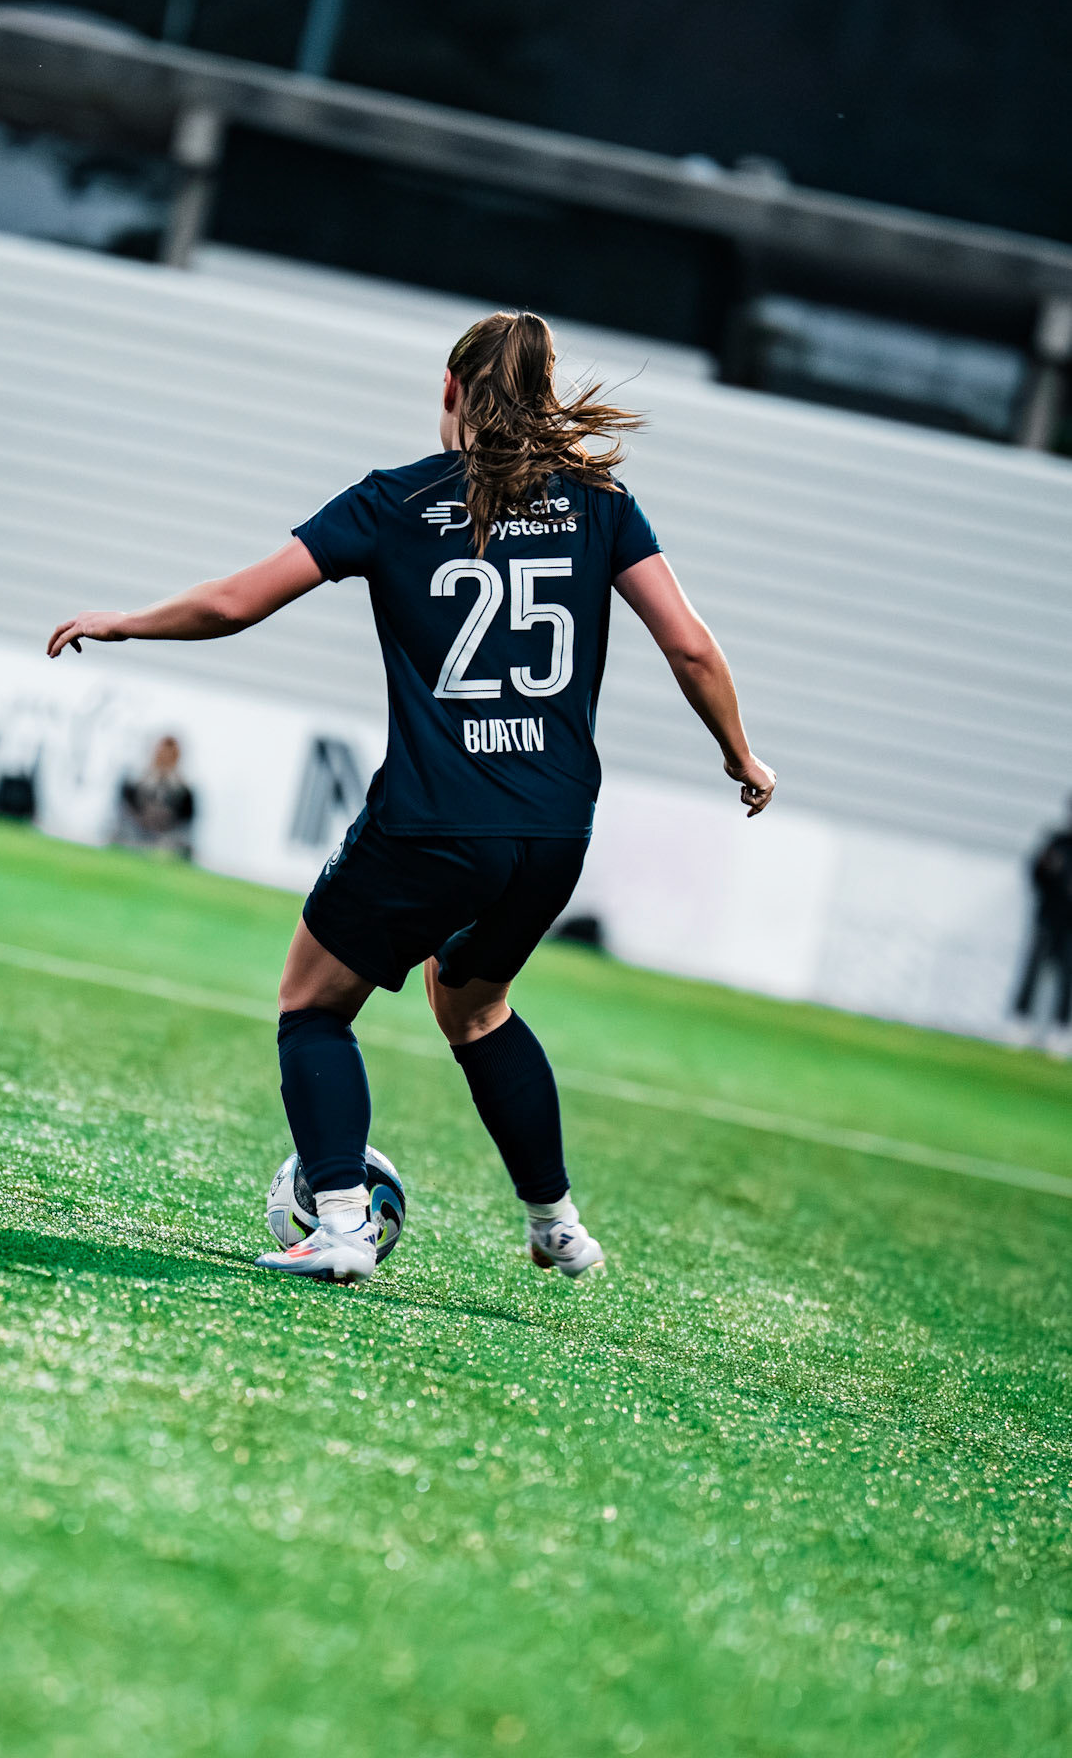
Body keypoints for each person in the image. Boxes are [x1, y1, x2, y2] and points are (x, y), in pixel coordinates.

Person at [47, 311, 775, 1284]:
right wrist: (741, 754)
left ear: (449, 390)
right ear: (545, 399)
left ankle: (341, 1219)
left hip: (436, 816)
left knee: (312, 1002)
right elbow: (689, 643)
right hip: (554, 831)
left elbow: (235, 602)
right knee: (474, 1009)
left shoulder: (396, 499)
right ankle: (556, 1222)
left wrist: (126, 619)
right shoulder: (604, 504)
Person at [1011, 797, 1072, 1051]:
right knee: (1033, 969)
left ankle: (1061, 1029)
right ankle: (1020, 1021)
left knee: (1067, 976)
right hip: (1048, 917)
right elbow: (1035, 874)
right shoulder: (1056, 841)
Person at [113, 734, 195, 857]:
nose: (165, 758)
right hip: (133, 839)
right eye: (162, 753)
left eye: (170, 755)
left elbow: (184, 829)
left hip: (166, 846)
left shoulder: (185, 793)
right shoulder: (134, 783)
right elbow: (124, 817)